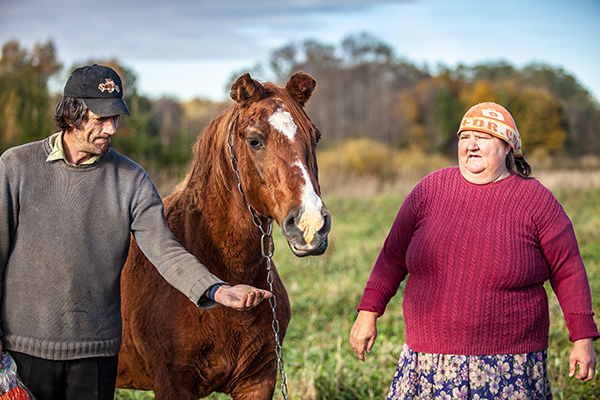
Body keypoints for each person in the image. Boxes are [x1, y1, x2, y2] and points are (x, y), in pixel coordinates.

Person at [0, 64, 272, 400]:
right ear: (71, 114)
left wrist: (217, 291)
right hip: (24, 351)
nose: (111, 128)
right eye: (100, 118)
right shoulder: (16, 167)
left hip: (95, 355)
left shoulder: (131, 180)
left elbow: (166, 251)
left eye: (116, 118)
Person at [349, 102, 599, 399]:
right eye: (465, 136)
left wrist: (582, 337)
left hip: (510, 367)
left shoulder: (536, 200)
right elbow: (391, 256)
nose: (471, 145)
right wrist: (368, 312)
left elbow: (568, 269)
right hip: (429, 362)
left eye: (483, 137)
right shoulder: (429, 190)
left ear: (507, 147)